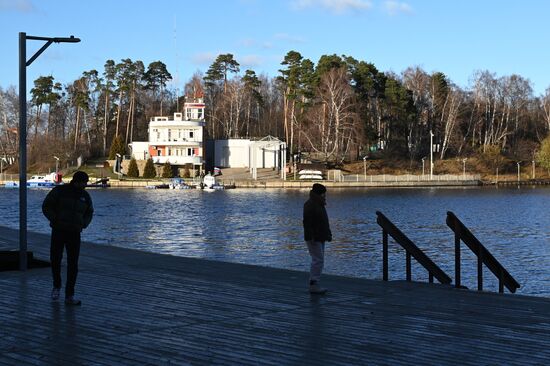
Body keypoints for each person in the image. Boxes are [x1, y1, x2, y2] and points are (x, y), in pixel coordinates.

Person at [42, 171, 94, 305]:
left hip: (75, 232)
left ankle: (69, 295)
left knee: (73, 264)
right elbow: (46, 206)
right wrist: (54, 219)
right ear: (77, 181)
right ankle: (57, 286)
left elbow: (90, 212)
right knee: (55, 260)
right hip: (58, 230)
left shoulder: (85, 196)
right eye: (84, 182)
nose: (86, 185)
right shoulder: (60, 191)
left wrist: (84, 224)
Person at [303, 183, 332, 294]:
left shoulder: (318, 203)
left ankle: (314, 282)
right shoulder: (311, 205)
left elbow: (324, 221)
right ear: (320, 194)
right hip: (314, 237)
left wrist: (327, 234)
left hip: (320, 236)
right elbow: (307, 222)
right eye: (323, 193)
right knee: (318, 260)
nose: (325, 195)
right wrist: (311, 237)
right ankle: (314, 283)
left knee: (319, 259)